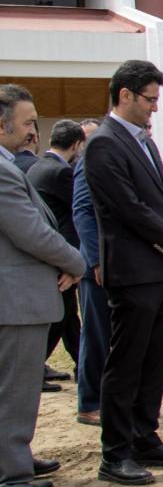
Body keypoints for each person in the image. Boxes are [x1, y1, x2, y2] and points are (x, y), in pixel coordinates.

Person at [83, 61, 163, 485]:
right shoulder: (104, 144)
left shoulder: (144, 141)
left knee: (154, 361)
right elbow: (125, 207)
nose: (154, 108)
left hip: (162, 269)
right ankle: (115, 454)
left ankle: (144, 436)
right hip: (133, 272)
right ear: (125, 95)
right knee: (126, 363)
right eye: (149, 99)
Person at [0, 85, 85, 487]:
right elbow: (30, 231)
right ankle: (10, 483)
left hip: (18, 298)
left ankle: (14, 465)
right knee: (13, 397)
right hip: (14, 301)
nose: (35, 131)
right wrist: (76, 261)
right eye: (29, 121)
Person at [27, 120, 87, 389]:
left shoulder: (38, 166)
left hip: (49, 252)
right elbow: (80, 206)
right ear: (77, 145)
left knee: (68, 316)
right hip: (62, 253)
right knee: (62, 316)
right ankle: (34, 368)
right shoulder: (61, 172)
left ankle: (82, 365)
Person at [71, 120, 106, 426]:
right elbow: (82, 212)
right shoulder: (86, 164)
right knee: (95, 337)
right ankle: (90, 403)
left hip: (118, 265)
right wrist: (95, 261)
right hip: (96, 268)